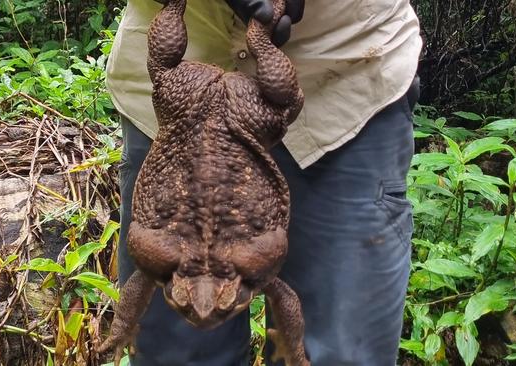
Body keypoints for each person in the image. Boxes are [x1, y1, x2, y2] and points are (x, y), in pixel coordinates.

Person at [105, 0, 422, 364]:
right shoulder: (232, 265)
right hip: (183, 105)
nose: (205, 311)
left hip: (343, 77)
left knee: (337, 354)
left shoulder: (226, 264)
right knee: (173, 357)